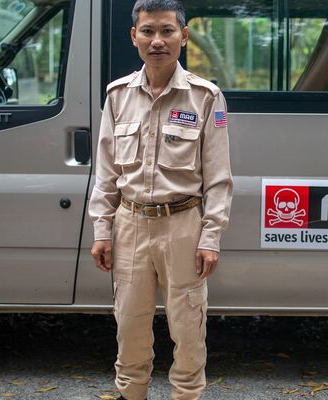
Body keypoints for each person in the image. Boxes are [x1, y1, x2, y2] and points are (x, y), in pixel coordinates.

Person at [88, 0, 233, 398]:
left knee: (188, 328)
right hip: (130, 224)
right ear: (134, 35)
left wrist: (210, 237)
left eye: (167, 31)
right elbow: (106, 174)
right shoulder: (118, 96)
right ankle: (130, 394)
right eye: (148, 30)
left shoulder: (205, 97)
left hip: (182, 226)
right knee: (129, 327)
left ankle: (186, 394)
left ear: (183, 37)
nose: (157, 40)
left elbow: (219, 178)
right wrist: (102, 229)